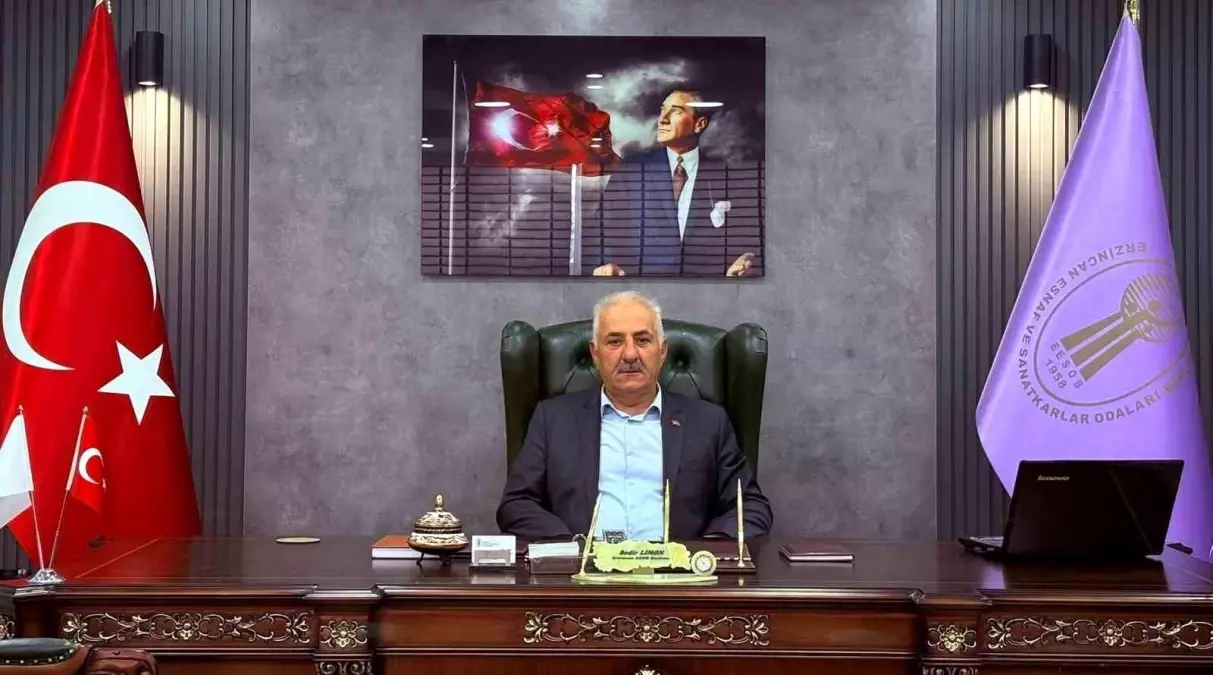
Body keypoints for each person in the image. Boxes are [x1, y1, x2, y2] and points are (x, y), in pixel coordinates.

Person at [496, 291, 772, 541]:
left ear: (662, 351)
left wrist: (703, 555)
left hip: (677, 573)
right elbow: (516, 505)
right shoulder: (553, 420)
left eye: (642, 340)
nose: (630, 354)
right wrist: (572, 549)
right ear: (595, 354)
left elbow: (751, 507)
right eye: (614, 341)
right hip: (582, 571)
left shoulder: (708, 422)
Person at [585, 88, 757, 277]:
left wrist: (743, 259)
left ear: (699, 124)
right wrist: (605, 265)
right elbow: (603, 227)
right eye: (662, 110)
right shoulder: (632, 170)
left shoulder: (722, 174)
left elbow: (744, 237)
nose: (662, 119)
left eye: (675, 111)